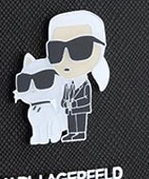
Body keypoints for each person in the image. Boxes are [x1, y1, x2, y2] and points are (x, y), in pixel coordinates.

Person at [45, 10, 110, 142]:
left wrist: (74, 102)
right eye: (56, 50)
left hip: (80, 108)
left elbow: (85, 97)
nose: (66, 57)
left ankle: (79, 132)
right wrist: (64, 103)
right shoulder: (66, 84)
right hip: (69, 108)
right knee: (71, 120)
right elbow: (64, 95)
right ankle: (72, 132)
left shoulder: (84, 84)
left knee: (79, 120)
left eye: (80, 48)